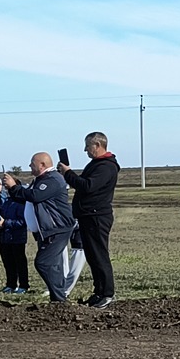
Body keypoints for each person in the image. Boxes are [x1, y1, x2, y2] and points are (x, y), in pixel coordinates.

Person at [8, 153, 77, 301]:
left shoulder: (52, 179)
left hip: (57, 229)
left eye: (32, 163)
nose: (29, 166)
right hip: (46, 231)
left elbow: (35, 196)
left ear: (42, 165)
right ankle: (58, 299)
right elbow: (27, 197)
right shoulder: (40, 180)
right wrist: (13, 189)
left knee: (43, 262)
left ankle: (59, 297)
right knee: (54, 265)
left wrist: (15, 187)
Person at [66, 132, 119, 308]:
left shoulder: (106, 166)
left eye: (87, 146)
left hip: (97, 216)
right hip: (88, 216)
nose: (85, 150)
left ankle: (107, 293)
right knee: (92, 255)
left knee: (99, 255)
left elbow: (88, 186)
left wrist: (68, 173)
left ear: (97, 145)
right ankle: (99, 291)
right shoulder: (96, 164)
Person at [0, 178, 30, 292]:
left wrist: (6, 223)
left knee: (20, 263)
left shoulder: (21, 203)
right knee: (8, 263)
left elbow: (23, 222)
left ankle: (23, 285)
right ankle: (11, 285)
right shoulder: (6, 202)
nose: (6, 190)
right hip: (6, 237)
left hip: (17, 238)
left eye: (8, 187)